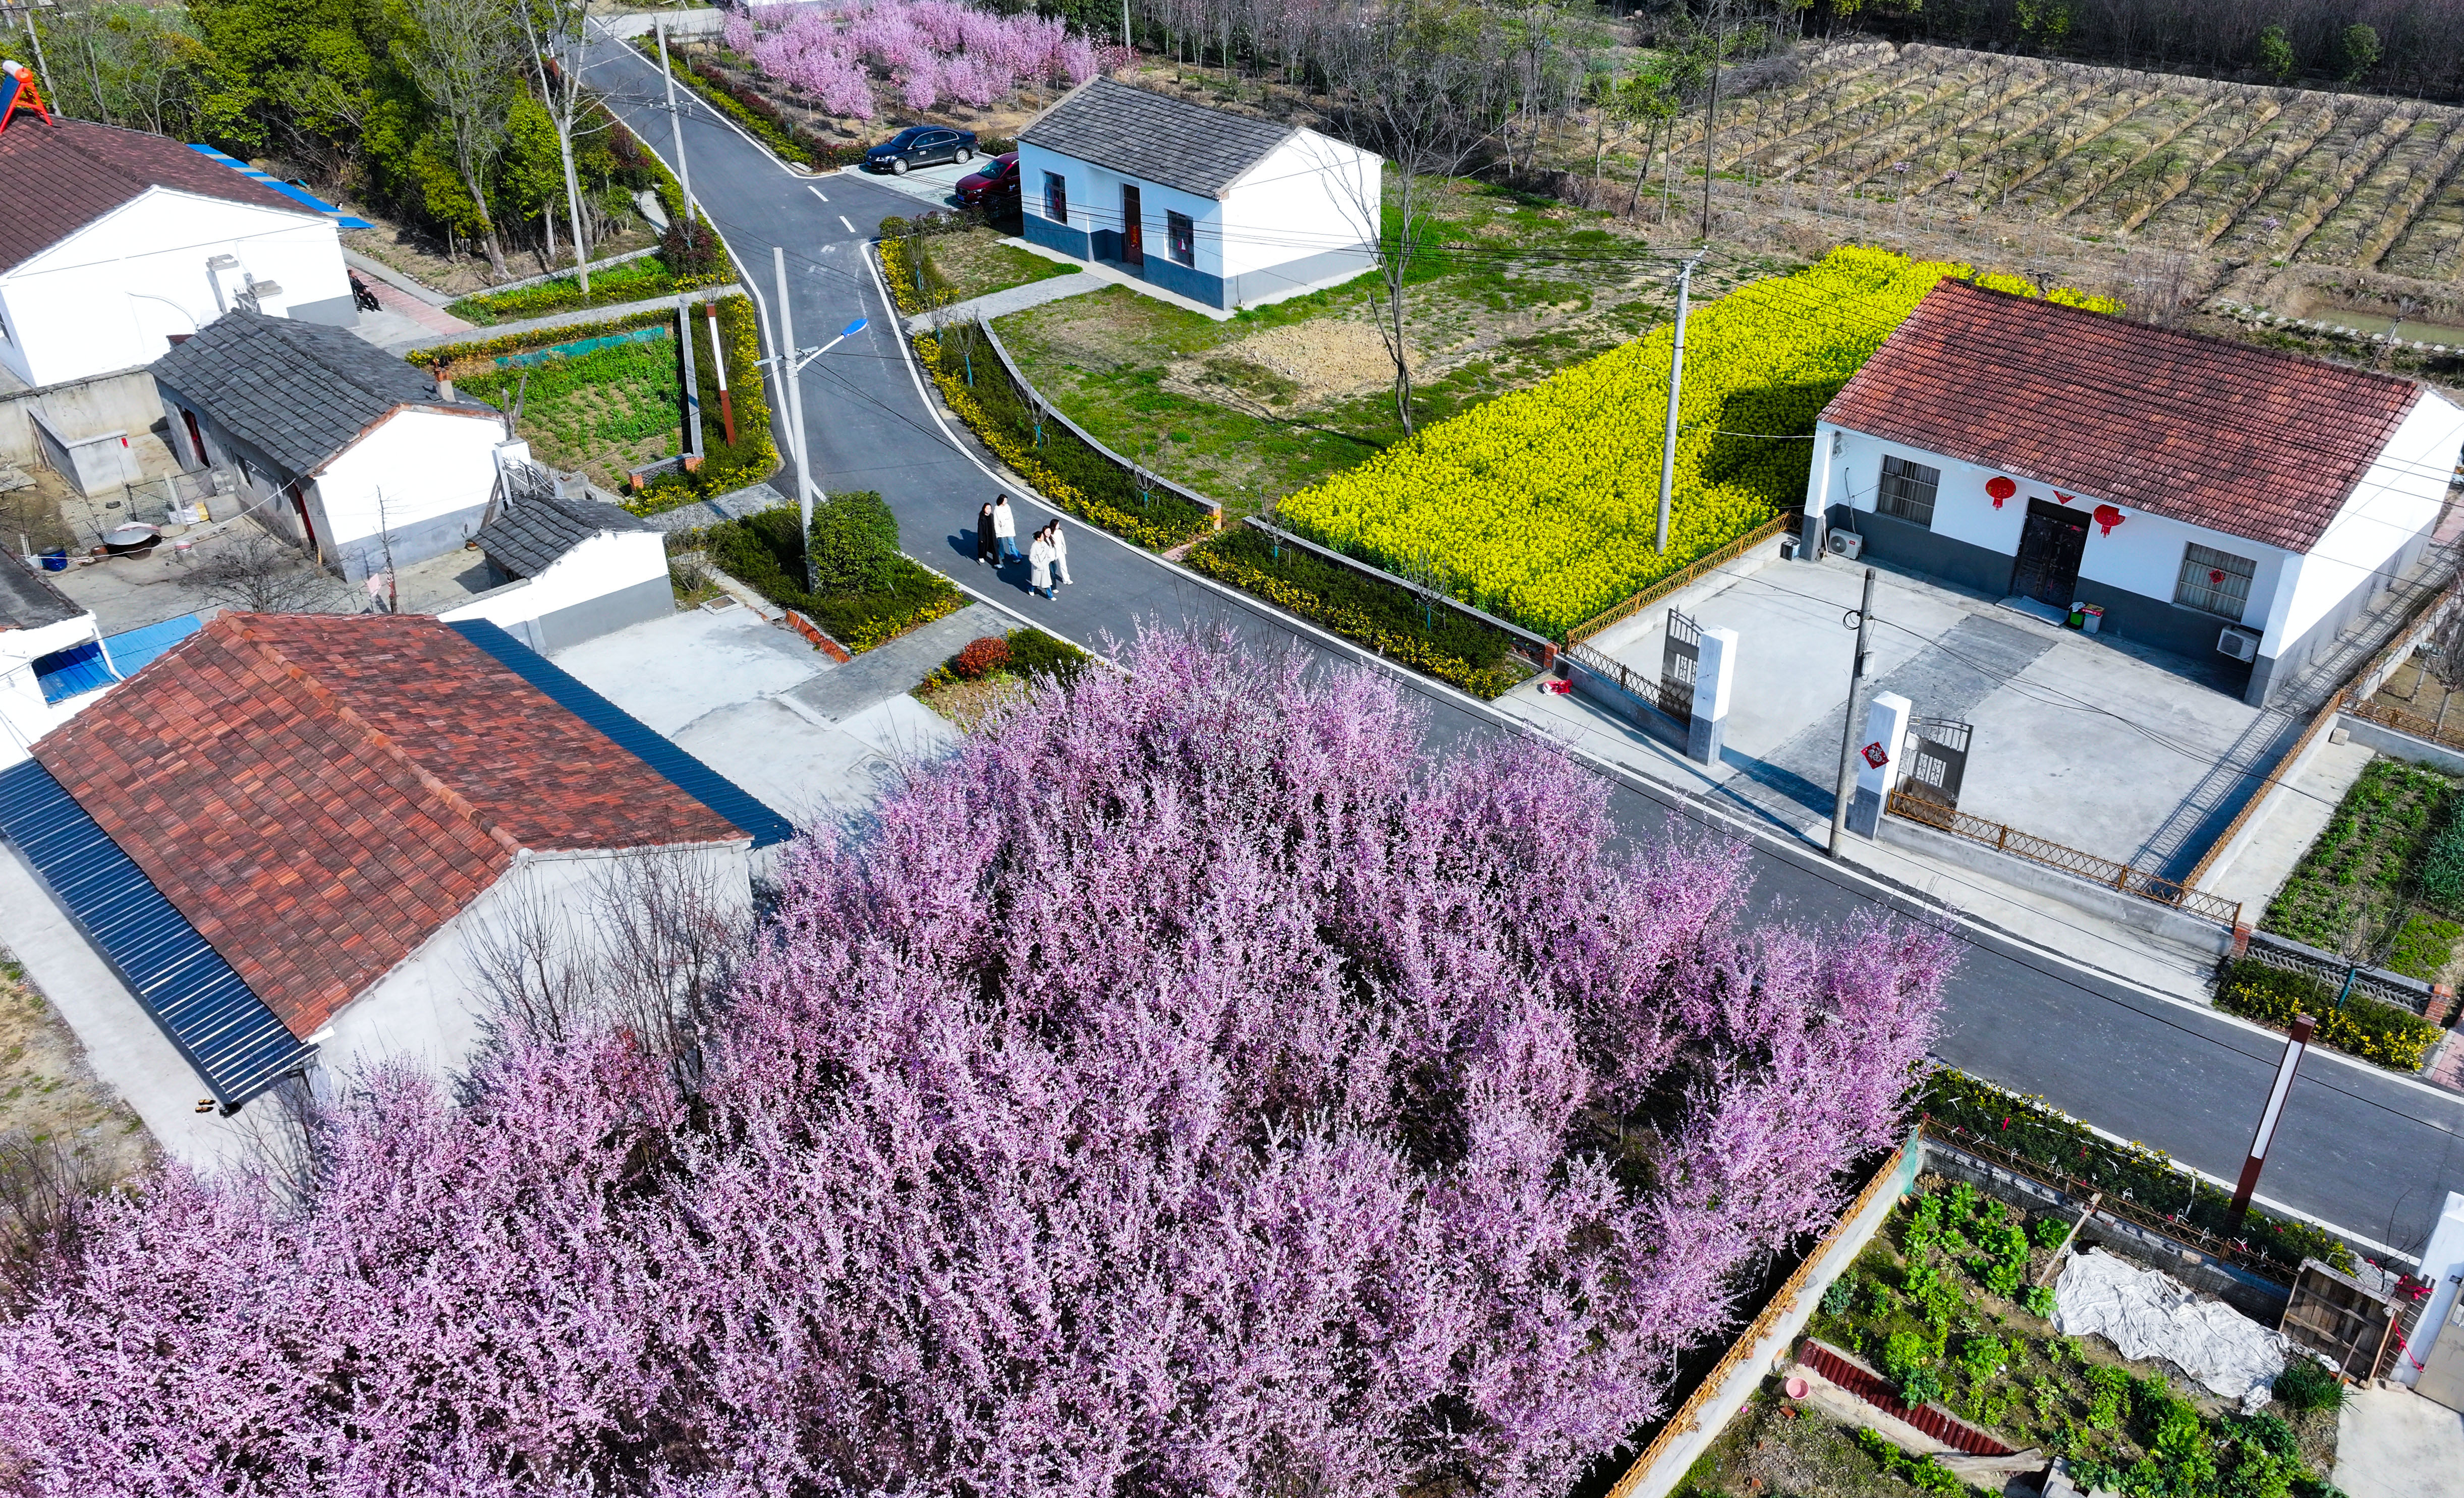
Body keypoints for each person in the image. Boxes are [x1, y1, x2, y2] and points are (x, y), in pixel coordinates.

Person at [1028, 527, 1056, 600]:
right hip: (1038, 568)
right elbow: (1032, 558)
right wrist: (1038, 565)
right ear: (1038, 539)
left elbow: (1047, 552)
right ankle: (1031, 589)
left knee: (1047, 582)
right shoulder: (1034, 547)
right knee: (1037, 582)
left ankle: (1050, 596)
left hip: (1045, 566)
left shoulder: (1044, 544)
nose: (1044, 537)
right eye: (1042, 537)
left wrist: (1048, 560)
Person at [992, 494, 1020, 563]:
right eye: (1005, 500)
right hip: (1001, 529)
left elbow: (1011, 516)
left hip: (1009, 528)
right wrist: (997, 531)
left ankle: (1015, 557)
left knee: (1011, 543)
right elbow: (996, 521)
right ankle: (1001, 554)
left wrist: (1012, 525)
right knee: (1001, 543)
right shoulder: (997, 509)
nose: (1006, 502)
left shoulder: (1007, 506)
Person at [1048, 518, 1072, 587]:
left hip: (1060, 552)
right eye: (1057, 524)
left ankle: (1066, 579)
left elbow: (1063, 541)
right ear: (1054, 525)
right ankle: (1048, 579)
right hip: (1053, 553)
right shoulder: (1049, 532)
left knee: (1063, 565)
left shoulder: (1059, 532)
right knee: (1052, 568)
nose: (1059, 525)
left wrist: (1064, 550)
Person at [974, 501, 996, 565]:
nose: (989, 510)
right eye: (987, 509)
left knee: (995, 548)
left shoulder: (992, 516)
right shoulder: (982, 518)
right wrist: (981, 539)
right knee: (983, 547)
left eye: (990, 509)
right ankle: (981, 556)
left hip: (991, 535)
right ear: (984, 509)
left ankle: (996, 562)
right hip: (985, 536)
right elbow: (980, 529)